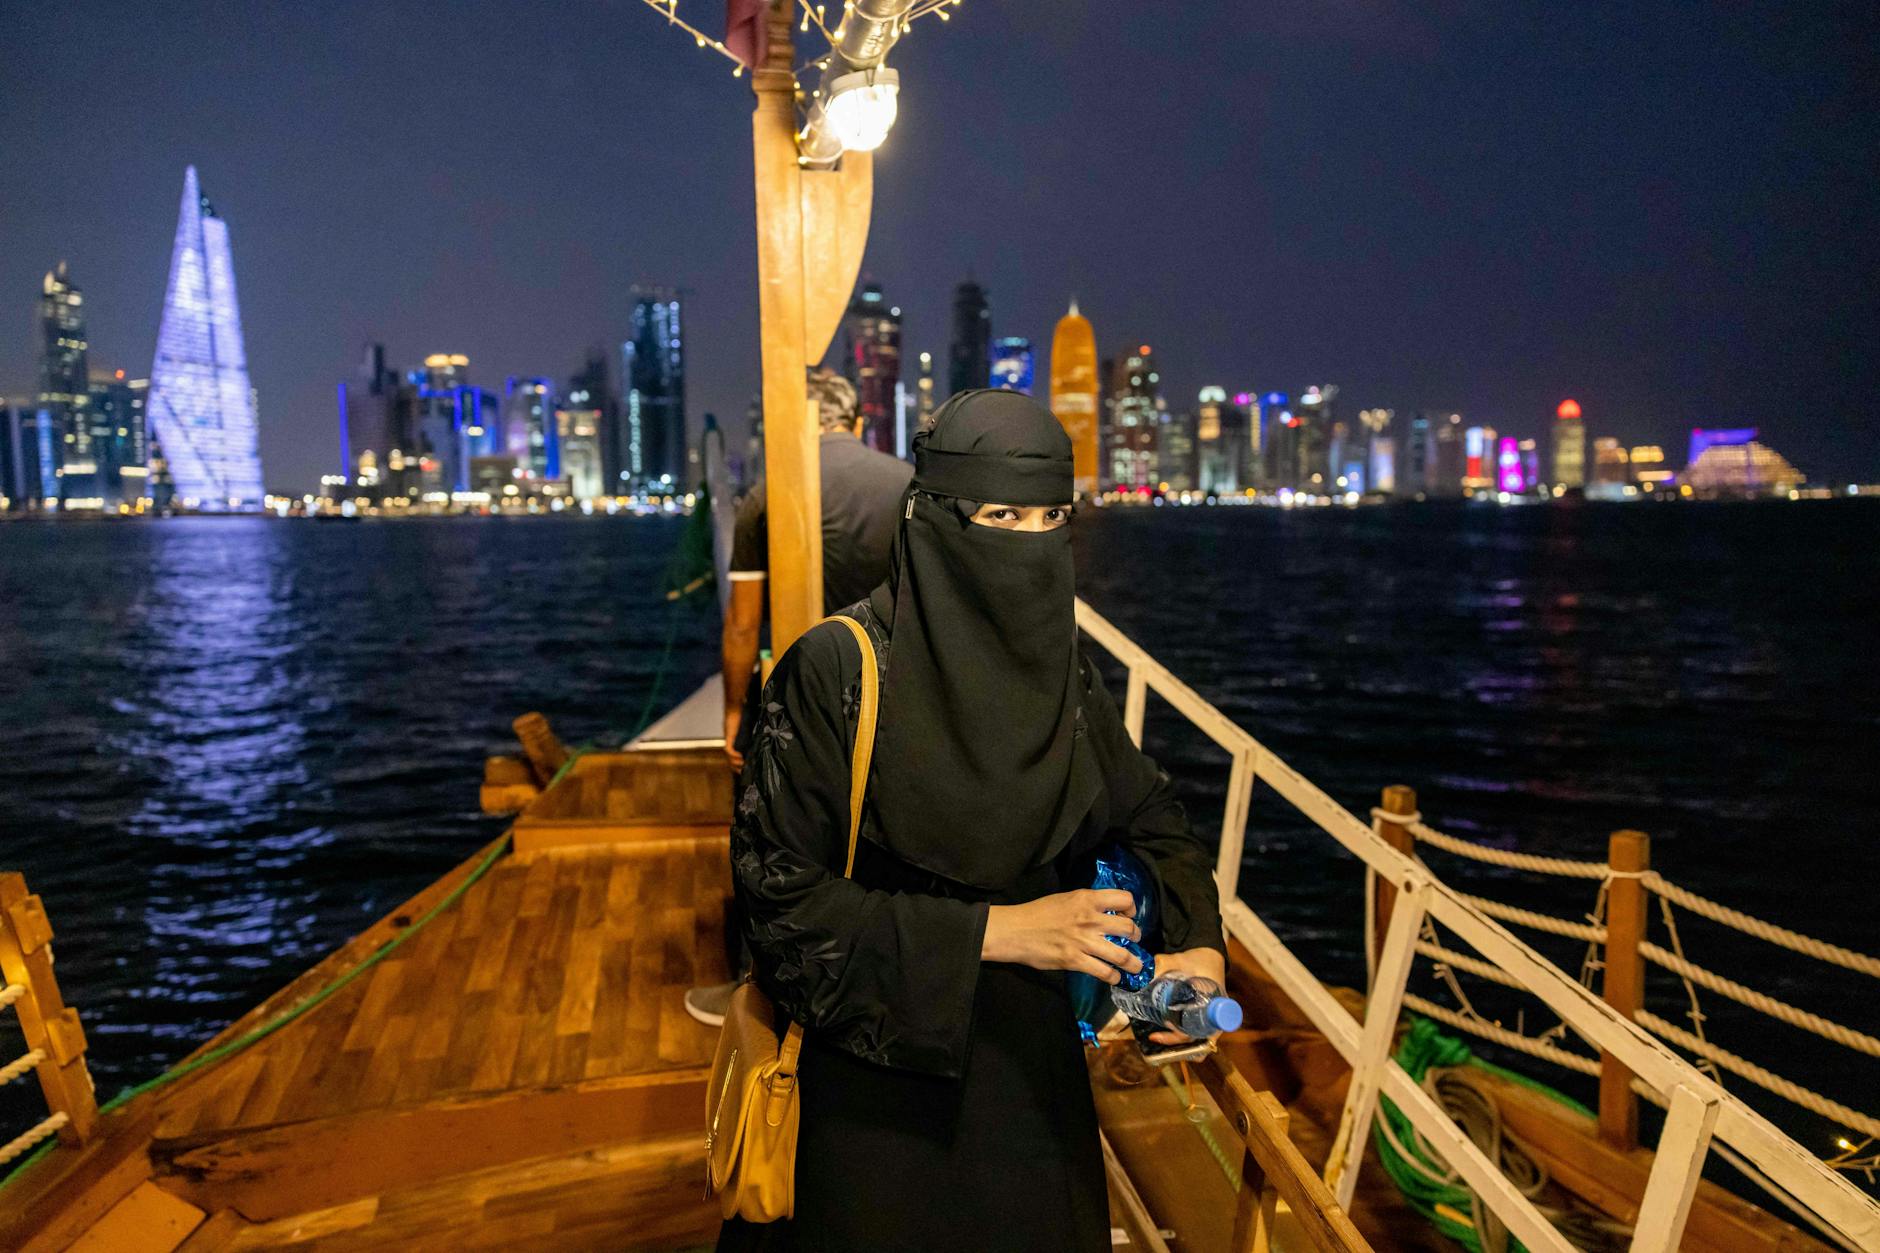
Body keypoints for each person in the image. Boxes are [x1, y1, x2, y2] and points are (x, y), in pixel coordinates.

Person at [717, 389, 1227, 1252]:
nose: (1026, 546)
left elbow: (1154, 814)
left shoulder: (1062, 674)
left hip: (1034, 1084)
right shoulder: (832, 672)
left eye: (1048, 518)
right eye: (999, 514)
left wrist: (1200, 947)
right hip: (875, 1094)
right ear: (935, 519)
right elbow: (780, 914)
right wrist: (1001, 931)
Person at [685, 369, 912, 1028]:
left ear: (793, 427)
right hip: (886, 693)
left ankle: (759, 990)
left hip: (797, 692)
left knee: (771, 840)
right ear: (858, 422)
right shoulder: (905, 486)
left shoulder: (765, 497)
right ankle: (878, 974)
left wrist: (733, 713)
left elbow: (740, 622)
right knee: (877, 841)